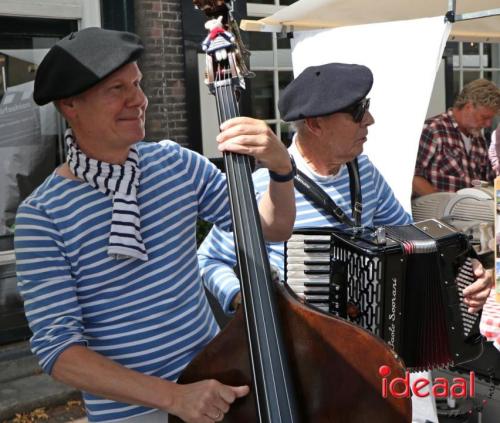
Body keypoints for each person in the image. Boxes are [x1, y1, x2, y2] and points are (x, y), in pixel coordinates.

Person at [15, 27, 296, 423]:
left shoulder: (176, 164)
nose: (139, 100)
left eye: (137, 84)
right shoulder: (42, 217)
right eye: (117, 90)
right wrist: (175, 398)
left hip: (217, 385)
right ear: (70, 105)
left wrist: (281, 168)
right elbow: (59, 353)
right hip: (129, 414)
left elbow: (272, 228)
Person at [197, 63, 493, 423]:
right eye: (357, 112)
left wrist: (465, 269)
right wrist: (250, 299)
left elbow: (410, 233)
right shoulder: (265, 186)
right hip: (305, 360)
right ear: (315, 124)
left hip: (371, 354)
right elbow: (209, 260)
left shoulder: (362, 171)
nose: (369, 120)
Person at [413, 79, 500, 197]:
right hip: (435, 213)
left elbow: (491, 180)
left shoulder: (479, 140)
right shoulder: (433, 130)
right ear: (468, 107)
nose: (488, 124)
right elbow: (412, 177)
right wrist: (445, 205)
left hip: (472, 212)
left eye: (491, 119)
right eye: (484, 117)